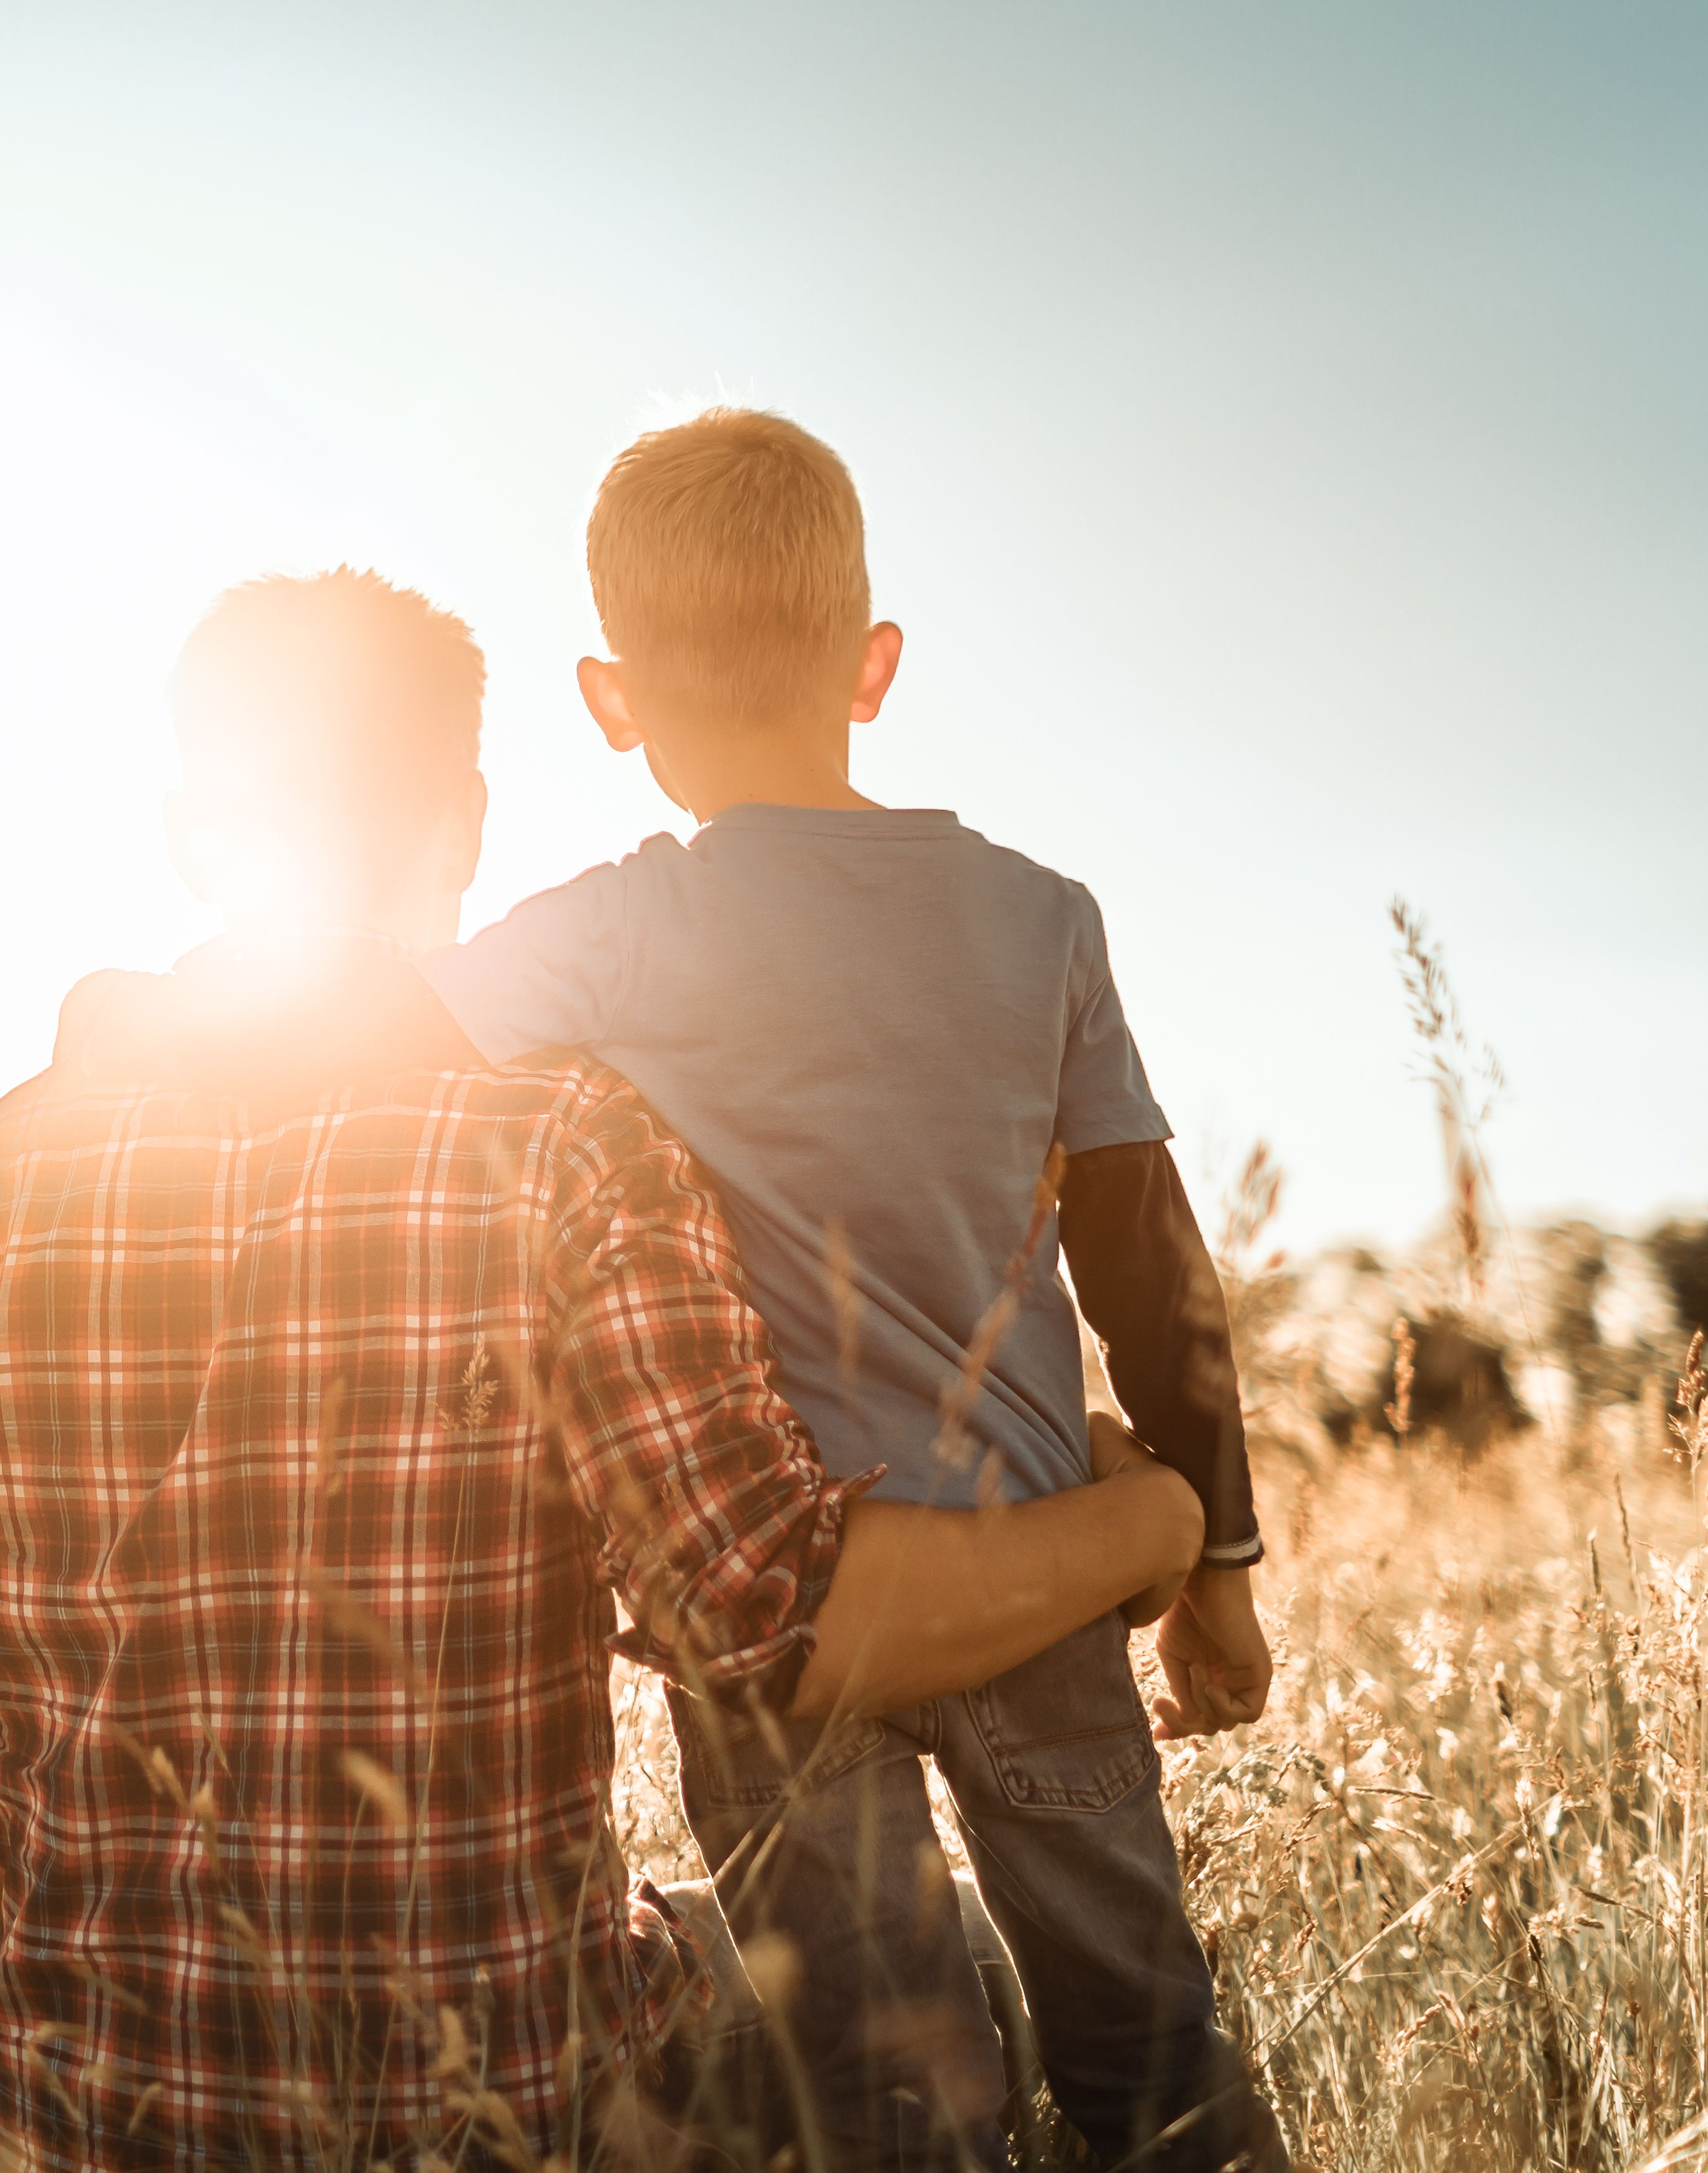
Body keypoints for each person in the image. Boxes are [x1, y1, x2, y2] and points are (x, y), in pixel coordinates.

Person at [0, 566, 1206, 2172]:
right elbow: (777, 1621)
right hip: (506, 2116)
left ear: (191, 833)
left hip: (96, 2127)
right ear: (463, 821)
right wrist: (1148, 1524)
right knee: (925, 1977)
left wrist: (151, 1949)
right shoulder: (563, 1154)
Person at [415, 411, 1289, 2173]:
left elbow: (369, 1067)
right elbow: (1146, 1264)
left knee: (879, 2088)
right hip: (1044, 1563)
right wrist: (1216, 1571)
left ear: (609, 699)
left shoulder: (600, 936)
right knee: (1146, 2036)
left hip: (772, 1610)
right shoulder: (1040, 920)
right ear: (871, 665)